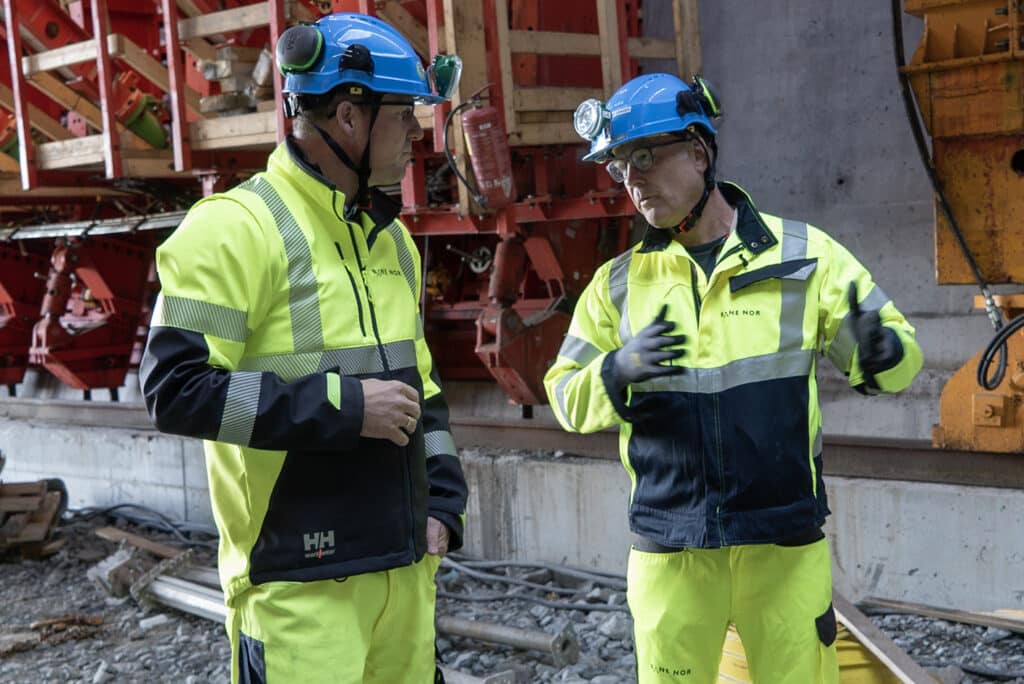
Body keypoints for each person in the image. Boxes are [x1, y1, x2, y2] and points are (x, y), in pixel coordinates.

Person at [544, 73, 923, 683]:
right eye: (619, 167)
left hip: (781, 545)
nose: (632, 181)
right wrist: (616, 371)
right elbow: (565, 398)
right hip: (671, 550)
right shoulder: (617, 286)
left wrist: (878, 353)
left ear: (699, 151)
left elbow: (902, 362)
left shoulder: (803, 257)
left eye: (644, 157)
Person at [139, 13, 468, 683]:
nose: (417, 133)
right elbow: (173, 391)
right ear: (349, 117)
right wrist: (344, 409)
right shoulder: (236, 230)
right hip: (297, 590)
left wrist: (442, 506)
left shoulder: (392, 243)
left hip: (403, 578)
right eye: (403, 115)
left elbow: (423, 393)